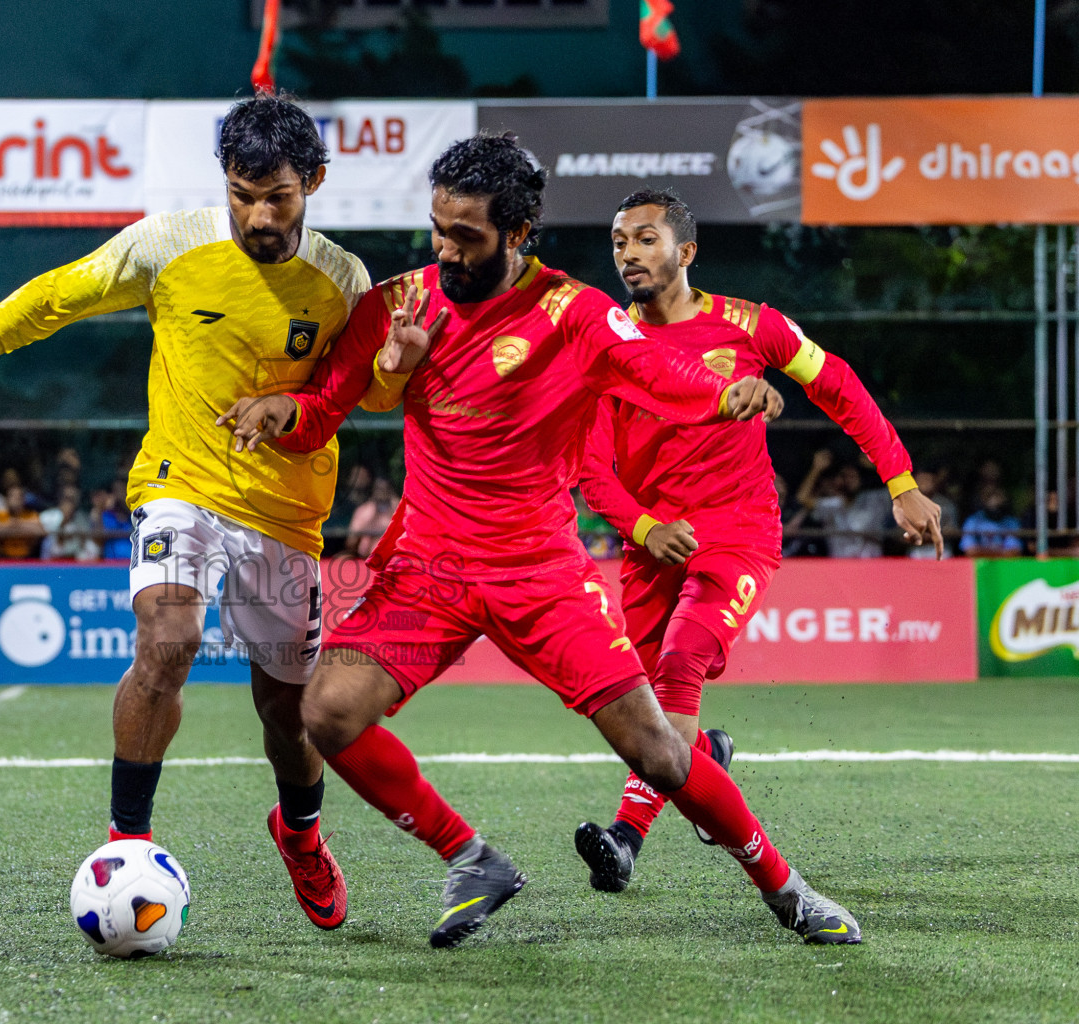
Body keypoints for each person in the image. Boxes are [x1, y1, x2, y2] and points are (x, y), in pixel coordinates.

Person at [223, 133, 859, 949]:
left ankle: (788, 889)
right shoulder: (397, 304)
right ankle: (470, 857)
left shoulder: (573, 313)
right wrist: (283, 414)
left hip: (540, 572)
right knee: (327, 711)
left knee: (660, 752)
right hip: (431, 566)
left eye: (467, 236)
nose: (444, 249)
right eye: (437, 228)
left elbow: (665, 373)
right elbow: (324, 414)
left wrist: (726, 391)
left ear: (519, 233)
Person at [0, 92, 399, 932]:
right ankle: (127, 844)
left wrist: (398, 365)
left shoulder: (342, 281)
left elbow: (360, 395)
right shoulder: (168, 245)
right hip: (177, 482)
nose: (259, 215)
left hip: (286, 510)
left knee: (284, 709)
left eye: (279, 197)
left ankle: (300, 833)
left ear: (317, 183)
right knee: (168, 639)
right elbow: (52, 297)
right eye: (242, 192)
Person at [574, 187, 942, 893]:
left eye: (645, 239)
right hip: (652, 550)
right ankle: (705, 756)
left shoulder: (751, 326)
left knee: (680, 663)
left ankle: (624, 839)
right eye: (620, 242)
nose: (628, 255)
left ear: (685, 251)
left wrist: (900, 482)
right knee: (648, 713)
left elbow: (837, 385)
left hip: (736, 537)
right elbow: (593, 473)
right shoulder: (604, 349)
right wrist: (648, 528)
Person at [345, 476, 398, 559]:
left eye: (386, 490)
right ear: (373, 492)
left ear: (391, 491)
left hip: (395, 559)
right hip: (365, 558)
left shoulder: (400, 509)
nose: (382, 493)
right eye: (379, 490)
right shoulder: (363, 511)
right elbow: (351, 541)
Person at [963, 484, 1023, 557]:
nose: (993, 500)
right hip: (979, 566)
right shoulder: (973, 521)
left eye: (997, 496)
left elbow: (1014, 551)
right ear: (982, 500)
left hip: (1005, 565)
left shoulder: (1011, 522)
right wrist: (1000, 552)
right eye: (989, 496)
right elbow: (970, 551)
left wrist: (983, 551)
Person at [0, 484, 44, 559]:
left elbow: (40, 531)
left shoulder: (31, 515)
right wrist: (23, 528)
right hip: (3, 558)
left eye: (19, 497)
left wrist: (14, 524)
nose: (16, 500)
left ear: (23, 500)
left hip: (27, 558)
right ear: (6, 499)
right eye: (12, 496)